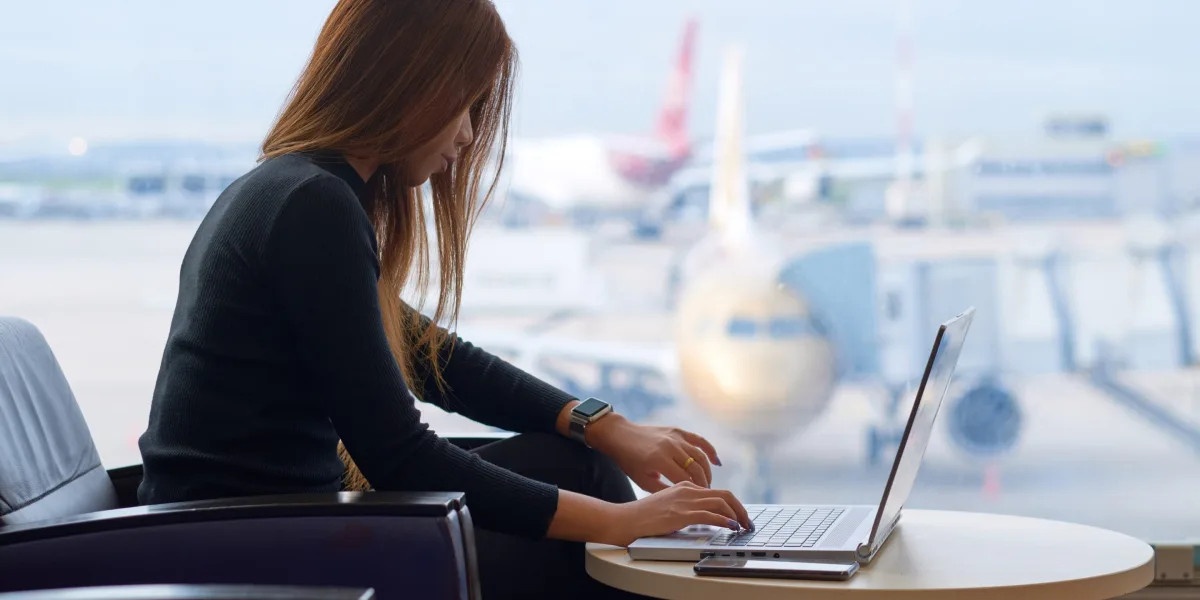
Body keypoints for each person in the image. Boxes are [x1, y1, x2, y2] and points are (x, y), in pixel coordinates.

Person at [136, 0, 752, 597]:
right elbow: (400, 457)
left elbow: (436, 359)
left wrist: (603, 425)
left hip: (260, 531)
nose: (467, 135)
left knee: (578, 463)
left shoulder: (291, 187)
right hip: (257, 551)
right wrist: (620, 522)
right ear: (412, 81)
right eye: (464, 105)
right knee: (585, 494)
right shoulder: (312, 206)